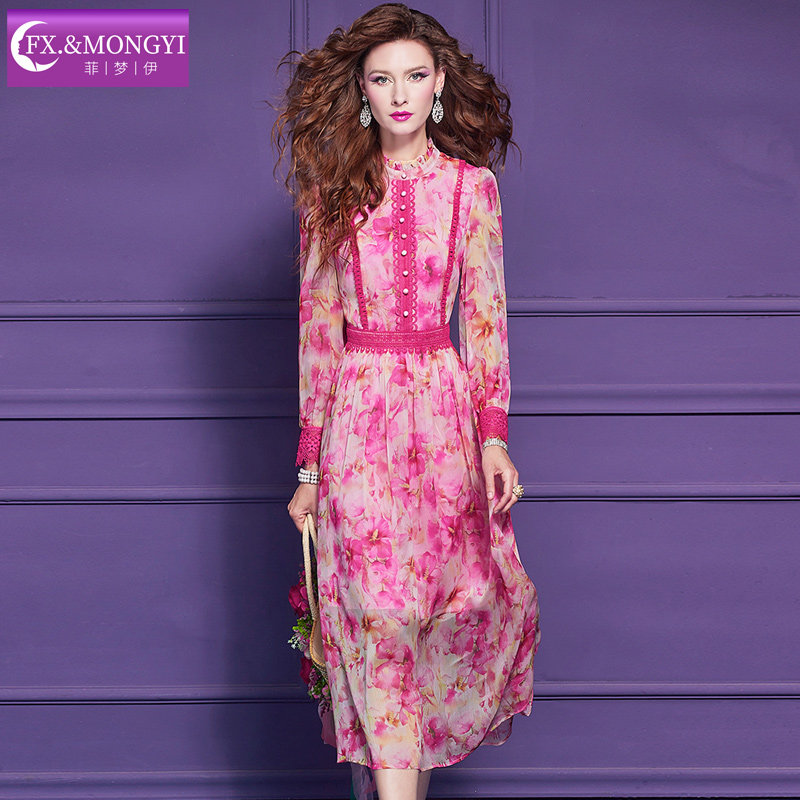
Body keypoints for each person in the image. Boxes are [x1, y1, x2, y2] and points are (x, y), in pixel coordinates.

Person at [273, 5, 541, 799]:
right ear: (361, 90)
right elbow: (318, 333)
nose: (399, 94)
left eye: (415, 76)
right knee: (379, 617)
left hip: (444, 419)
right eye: (382, 79)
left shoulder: (472, 189)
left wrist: (494, 437)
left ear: (439, 83)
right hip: (358, 418)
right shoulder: (329, 192)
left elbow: (485, 319)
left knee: (439, 615)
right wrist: (309, 469)